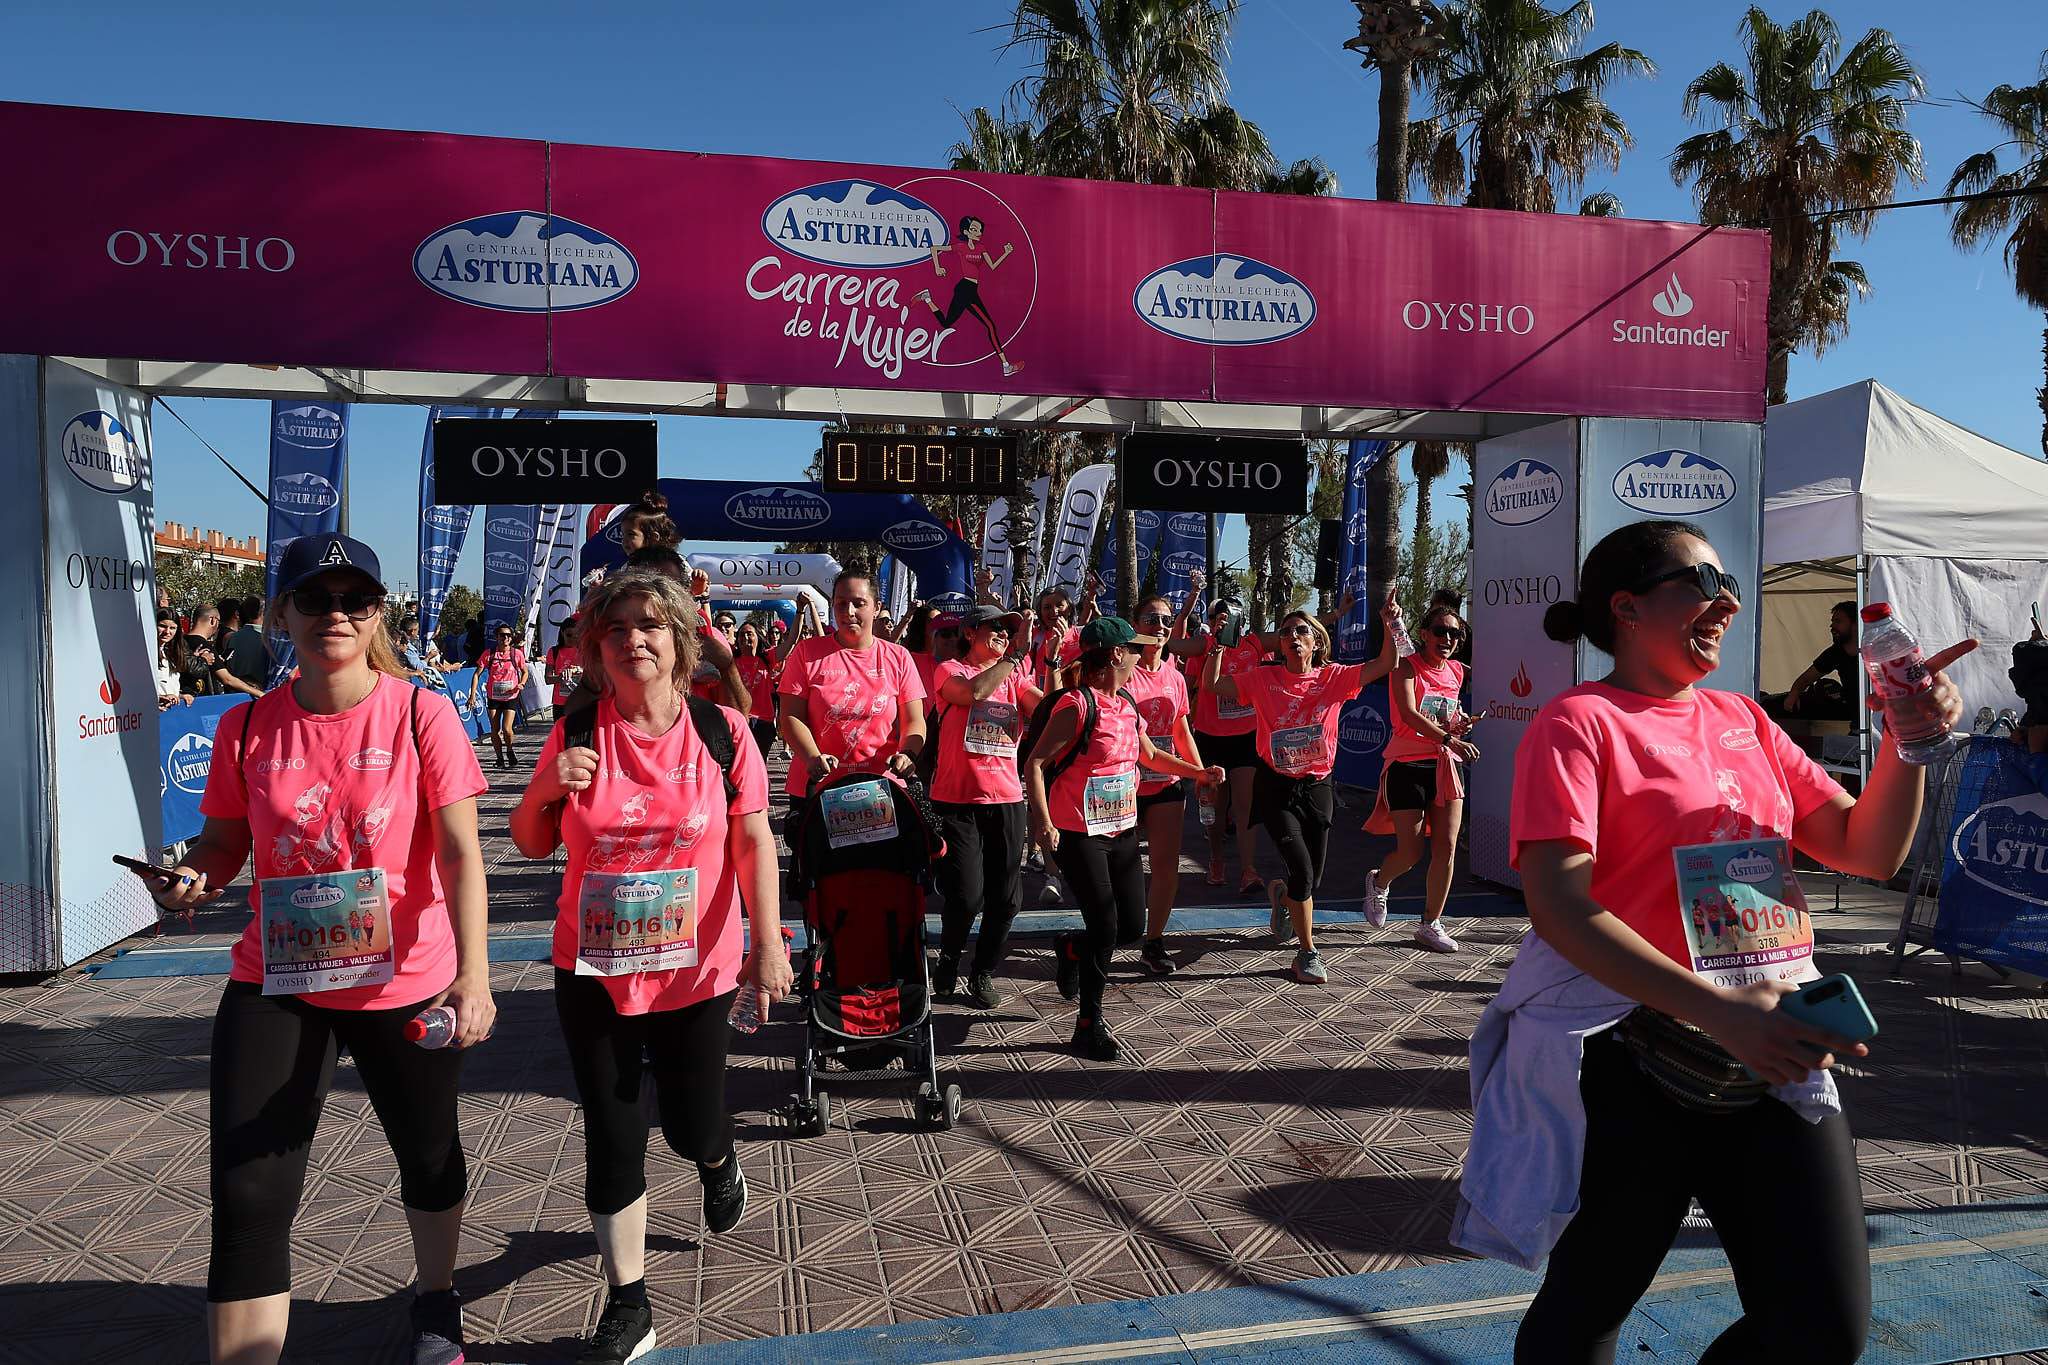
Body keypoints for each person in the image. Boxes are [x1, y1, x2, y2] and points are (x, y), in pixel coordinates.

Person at [1477, 519, 1970, 1363]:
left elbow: (1868, 849)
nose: (1729, 601)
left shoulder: (1744, 718)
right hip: (1630, 1054)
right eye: (1702, 583)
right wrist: (1719, 1011)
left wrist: (1905, 738)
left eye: (1729, 582)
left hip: (1772, 1052)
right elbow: (1558, 907)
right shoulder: (1579, 723)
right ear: (1628, 608)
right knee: (1588, 1305)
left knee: (1822, 1325)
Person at [146, 534, 493, 1365]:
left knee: (428, 1152)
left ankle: (436, 1298)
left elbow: (458, 854)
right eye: (314, 597)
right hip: (280, 976)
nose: (334, 612)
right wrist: (191, 875)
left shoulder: (421, 712)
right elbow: (224, 844)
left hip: (403, 978)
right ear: (283, 613)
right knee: (248, 1186)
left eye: (355, 599)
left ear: (376, 613)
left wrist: (474, 978)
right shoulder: (247, 724)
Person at [509, 570, 790, 1365]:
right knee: (613, 1125)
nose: (634, 638)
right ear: (597, 648)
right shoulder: (575, 728)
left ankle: (716, 1155)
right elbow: (533, 841)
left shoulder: (722, 730)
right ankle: (629, 1301)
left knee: (691, 1120)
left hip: (696, 968)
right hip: (594, 966)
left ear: (679, 639)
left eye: (650, 625)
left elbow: (752, 841)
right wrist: (542, 791)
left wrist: (768, 941)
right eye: (617, 628)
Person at [1026, 617, 1222, 1061]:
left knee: (1132, 926)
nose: (1139, 655)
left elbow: (1151, 754)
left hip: (1122, 828)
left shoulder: (1127, 702)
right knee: (1106, 924)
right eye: (1133, 649)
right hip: (1078, 832)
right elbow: (1035, 764)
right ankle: (1088, 1024)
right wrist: (1043, 822)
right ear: (1116, 655)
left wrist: (1199, 773)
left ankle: (1072, 946)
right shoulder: (1076, 706)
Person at [1205, 595, 1403, 983]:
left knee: (1312, 878)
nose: (1292, 636)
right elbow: (1213, 685)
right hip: (1276, 785)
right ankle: (1307, 953)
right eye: (1285, 632)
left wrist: (1391, 622)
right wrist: (1216, 644)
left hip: (1317, 786)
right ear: (1280, 645)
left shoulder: (1334, 677)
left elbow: (1386, 663)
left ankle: (1283, 896)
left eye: (1301, 631)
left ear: (1316, 642)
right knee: (1301, 867)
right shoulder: (1263, 678)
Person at [929, 604, 1042, 1007]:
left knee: (1008, 898)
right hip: (957, 800)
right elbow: (972, 693)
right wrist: (1013, 657)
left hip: (1007, 797)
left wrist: (1055, 657)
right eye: (994, 628)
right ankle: (949, 957)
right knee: (967, 895)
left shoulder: (1016, 675)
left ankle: (983, 972)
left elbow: (1045, 710)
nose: (1001, 634)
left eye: (1007, 630)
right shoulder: (950, 670)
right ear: (970, 632)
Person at [1366, 603, 1479, 955]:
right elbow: (1410, 715)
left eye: (1455, 633)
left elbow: (1443, 714)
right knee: (1412, 852)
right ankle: (1379, 881)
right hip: (1407, 768)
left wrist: (1459, 723)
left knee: (1446, 848)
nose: (1448, 639)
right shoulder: (1406, 667)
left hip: (1445, 766)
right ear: (1424, 634)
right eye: (1441, 631)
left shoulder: (1458, 672)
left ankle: (1430, 924)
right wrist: (1448, 738)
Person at [777, 568, 927, 813]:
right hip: (818, 787)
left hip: (882, 789)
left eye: (859, 603)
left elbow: (914, 721)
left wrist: (908, 754)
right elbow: (791, 716)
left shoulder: (898, 657)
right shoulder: (806, 653)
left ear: (876, 607)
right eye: (841, 604)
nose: (848, 613)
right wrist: (813, 757)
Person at [1126, 595, 1202, 976]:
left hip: (1167, 782)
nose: (1159, 626)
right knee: (1117, 869)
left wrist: (1200, 773)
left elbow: (1181, 729)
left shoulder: (1174, 675)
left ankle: (1153, 941)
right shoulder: (1121, 669)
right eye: (1151, 618)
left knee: (1165, 867)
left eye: (1166, 620)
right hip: (1122, 784)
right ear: (1135, 624)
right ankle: (1110, 932)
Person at [916, 214, 1024, 377]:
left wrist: (1006, 253)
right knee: (990, 325)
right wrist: (937, 267)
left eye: (979, 230)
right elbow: (934, 249)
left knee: (946, 323)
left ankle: (927, 298)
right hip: (965, 289)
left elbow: (993, 266)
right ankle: (1005, 366)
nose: (978, 232)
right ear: (966, 232)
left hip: (970, 289)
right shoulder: (961, 247)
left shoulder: (981, 248)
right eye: (974, 229)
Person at [468, 625, 529, 771]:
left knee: (507, 729)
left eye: (508, 635)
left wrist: (521, 683)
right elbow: (477, 674)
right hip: (494, 697)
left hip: (511, 695)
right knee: (495, 730)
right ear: (497, 637)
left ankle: (509, 749)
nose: (506, 638)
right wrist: (472, 695)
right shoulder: (489, 654)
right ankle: (499, 758)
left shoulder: (516, 654)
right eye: (502, 635)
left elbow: (525, 671)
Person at [1785, 601, 1859, 719]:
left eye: (1838, 621)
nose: (1832, 626)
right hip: (1855, 722)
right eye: (1832, 621)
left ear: (1855, 624)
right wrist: (1794, 693)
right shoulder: (1835, 653)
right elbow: (1806, 678)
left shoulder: (1875, 650)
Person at [731, 621, 780, 756]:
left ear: (758, 637)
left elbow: (791, 643)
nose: (745, 637)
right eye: (741, 634)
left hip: (763, 721)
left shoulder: (767, 658)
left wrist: (799, 612)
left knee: (760, 761)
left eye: (749, 634)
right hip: (738, 720)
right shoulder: (731, 659)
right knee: (740, 762)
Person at [221, 594, 269, 698]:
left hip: (236, 697)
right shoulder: (269, 640)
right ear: (265, 612)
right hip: (263, 696)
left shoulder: (232, 638)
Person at [156, 609, 197, 709]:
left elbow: (168, 686)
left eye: (172, 628)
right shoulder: (143, 653)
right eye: (162, 626)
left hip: (171, 713)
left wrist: (180, 696)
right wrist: (158, 698)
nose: (167, 632)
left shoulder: (174, 653)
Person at [546, 614, 585, 715]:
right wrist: (561, 677)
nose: (572, 639)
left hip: (580, 701)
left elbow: (593, 674)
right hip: (560, 703)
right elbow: (548, 679)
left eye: (576, 635)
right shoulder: (554, 651)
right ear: (562, 632)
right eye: (569, 635)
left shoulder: (584, 651)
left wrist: (578, 670)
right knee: (560, 731)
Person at [185, 603, 223, 696]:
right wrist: (257, 693)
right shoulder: (206, 647)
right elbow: (227, 679)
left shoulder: (179, 643)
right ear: (213, 620)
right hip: (205, 701)